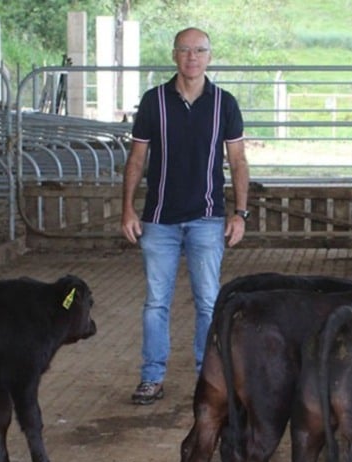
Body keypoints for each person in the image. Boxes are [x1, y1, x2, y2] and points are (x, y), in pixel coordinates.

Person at [120, 27, 250, 405]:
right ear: (174, 55)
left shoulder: (225, 103)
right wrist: (128, 208)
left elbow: (238, 161)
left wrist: (240, 213)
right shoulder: (154, 101)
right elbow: (137, 159)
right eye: (185, 50)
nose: (192, 57)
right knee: (155, 302)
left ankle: (206, 379)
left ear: (209, 56)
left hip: (208, 218)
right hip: (158, 219)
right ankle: (151, 377)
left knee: (208, 301)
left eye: (199, 50)